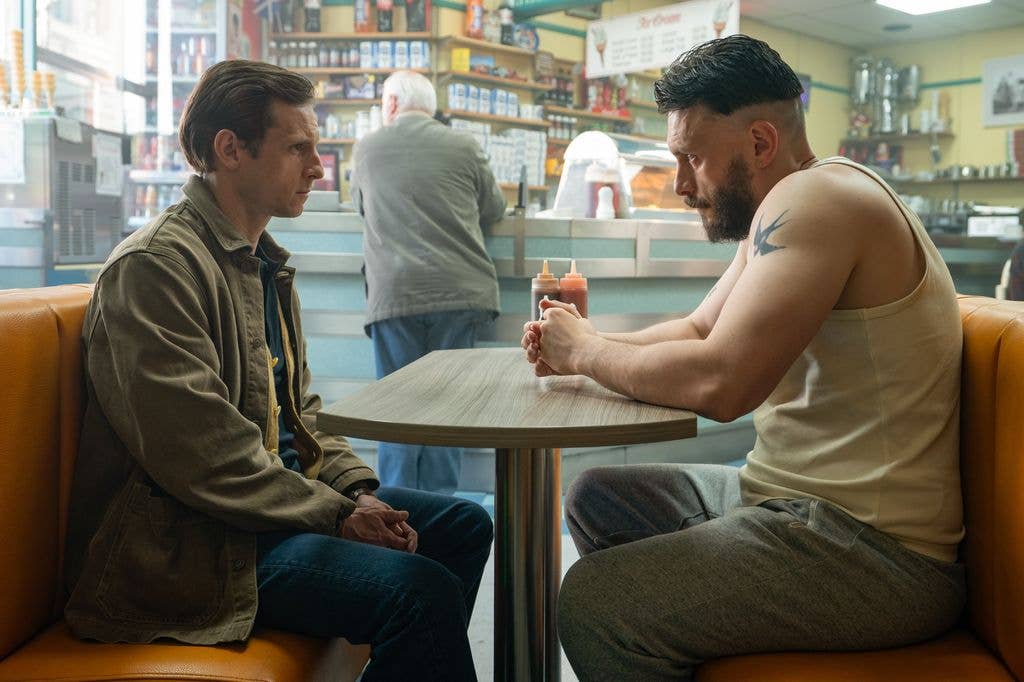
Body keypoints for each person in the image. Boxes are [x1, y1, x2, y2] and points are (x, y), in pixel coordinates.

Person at [523, 35, 965, 680]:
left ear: (761, 143)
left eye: (693, 158)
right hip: (790, 503)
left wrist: (588, 351)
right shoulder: (786, 205)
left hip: (877, 552)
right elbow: (698, 329)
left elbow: (723, 382)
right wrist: (578, 351)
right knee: (598, 496)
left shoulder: (818, 200)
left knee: (596, 603)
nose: (681, 185)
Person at [63, 60, 492, 682]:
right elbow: (203, 456)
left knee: (463, 525)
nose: (319, 168)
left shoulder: (261, 262)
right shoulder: (154, 268)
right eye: (298, 148)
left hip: (266, 514)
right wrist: (336, 514)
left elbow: (300, 416)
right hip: (196, 546)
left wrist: (355, 491)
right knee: (419, 592)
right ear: (230, 149)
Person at [350, 70, 506, 494]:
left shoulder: (366, 149)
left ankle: (399, 512)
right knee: (447, 408)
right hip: (459, 292)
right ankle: (441, 508)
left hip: (395, 294)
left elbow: (360, 206)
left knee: (396, 409)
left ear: (392, 104)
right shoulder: (464, 145)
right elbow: (495, 209)